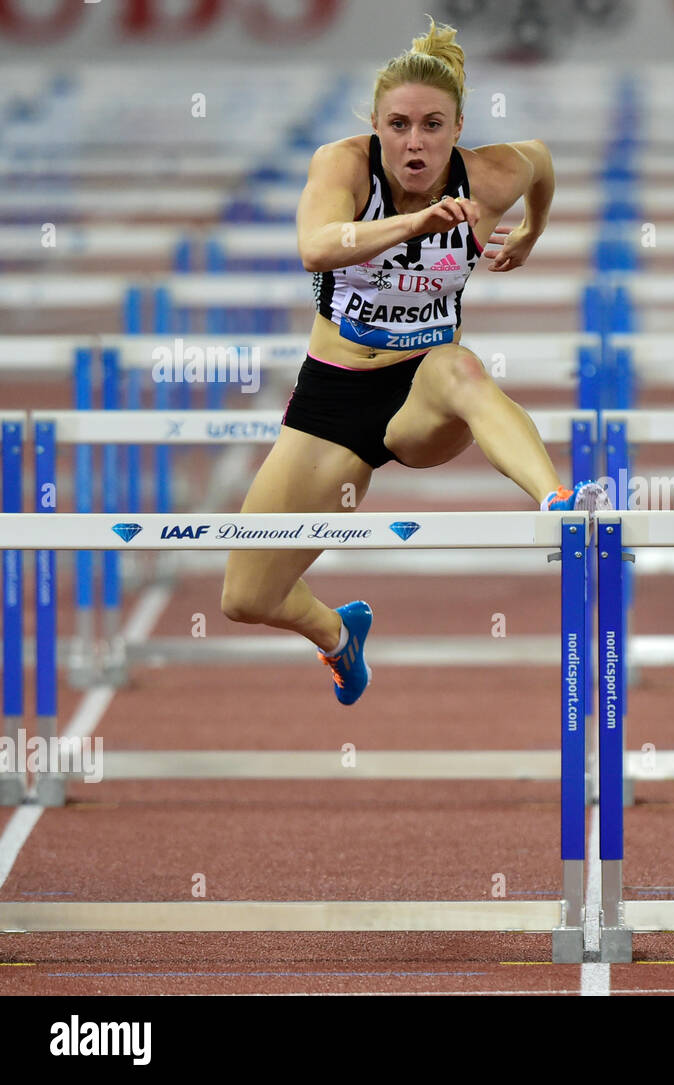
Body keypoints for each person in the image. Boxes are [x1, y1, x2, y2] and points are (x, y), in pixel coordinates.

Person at [221, 18, 607, 706]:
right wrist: (411, 225)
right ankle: (339, 634)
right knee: (245, 597)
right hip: (332, 400)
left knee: (460, 367)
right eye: (398, 124)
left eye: (433, 125)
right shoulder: (341, 165)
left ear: (457, 129)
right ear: (374, 125)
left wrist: (533, 232)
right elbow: (316, 246)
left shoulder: (488, 177)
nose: (415, 142)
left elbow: (542, 159)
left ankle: (558, 502)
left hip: (420, 393)